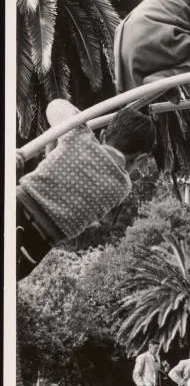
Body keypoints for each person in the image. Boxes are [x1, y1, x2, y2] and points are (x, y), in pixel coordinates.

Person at [16, 99, 156, 280]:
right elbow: (68, 187)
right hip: (34, 249)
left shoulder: (79, 136)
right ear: (141, 159)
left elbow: (55, 106)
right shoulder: (123, 187)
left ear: (103, 134)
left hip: (15, 210)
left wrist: (78, 122)